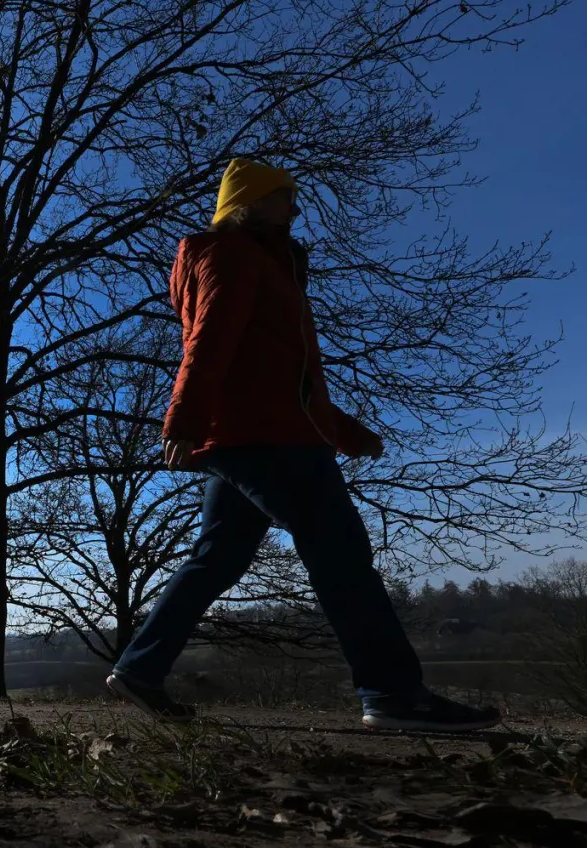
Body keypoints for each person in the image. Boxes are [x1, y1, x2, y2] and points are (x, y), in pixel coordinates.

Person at [104, 158, 501, 733]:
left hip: (258, 432)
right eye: (285, 195)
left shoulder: (261, 262)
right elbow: (209, 341)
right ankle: (392, 693)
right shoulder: (234, 256)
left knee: (217, 558)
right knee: (340, 552)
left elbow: (283, 374)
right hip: (262, 437)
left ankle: (141, 668)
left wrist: (340, 430)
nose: (296, 206)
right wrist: (182, 420)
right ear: (251, 202)